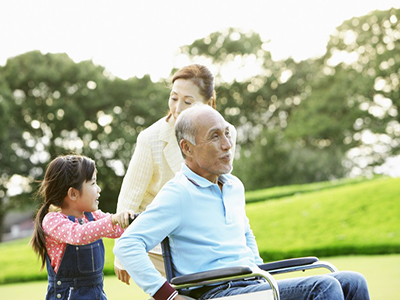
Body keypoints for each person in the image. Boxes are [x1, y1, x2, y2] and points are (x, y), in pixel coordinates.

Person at [114, 105, 370, 300]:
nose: (227, 145)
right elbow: (127, 245)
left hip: (252, 284)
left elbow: (245, 233)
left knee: (353, 281)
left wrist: (259, 269)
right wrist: (167, 295)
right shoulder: (178, 193)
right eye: (215, 137)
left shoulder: (234, 185)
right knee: (323, 287)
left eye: (227, 133)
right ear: (187, 148)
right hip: (218, 292)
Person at [114, 64, 236, 284]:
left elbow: (220, 186)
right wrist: (121, 255)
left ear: (208, 103)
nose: (178, 108)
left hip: (202, 236)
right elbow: (128, 199)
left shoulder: (227, 132)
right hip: (158, 238)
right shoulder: (150, 138)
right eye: (173, 98)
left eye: (188, 102)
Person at [30, 154, 136, 300]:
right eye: (93, 183)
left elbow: (118, 230)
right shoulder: (52, 220)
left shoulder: (93, 216)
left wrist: (130, 220)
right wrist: (112, 219)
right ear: (73, 193)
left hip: (97, 295)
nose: (98, 189)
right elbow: (79, 234)